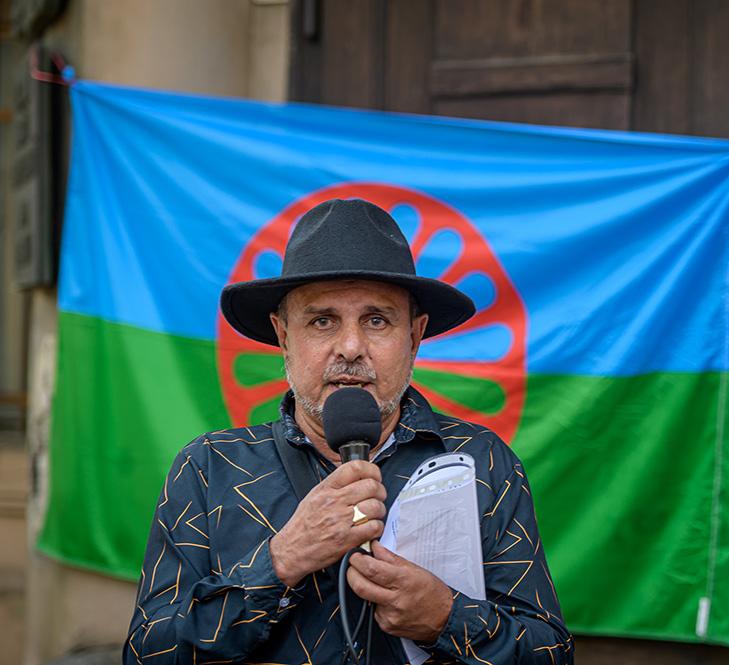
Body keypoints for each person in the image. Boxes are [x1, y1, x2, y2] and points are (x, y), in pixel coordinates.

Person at [124, 199, 573, 664]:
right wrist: (282, 560)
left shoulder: (481, 463)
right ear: (283, 335)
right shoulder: (209, 467)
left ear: (415, 336)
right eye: (323, 321)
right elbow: (148, 654)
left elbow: (550, 654)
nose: (351, 347)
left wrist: (444, 617)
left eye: (377, 320)